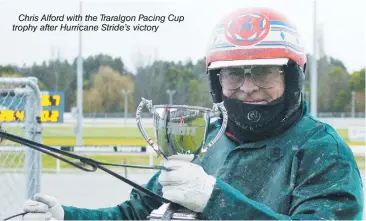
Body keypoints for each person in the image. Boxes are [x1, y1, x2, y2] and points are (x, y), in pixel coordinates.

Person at [22, 7, 363, 220]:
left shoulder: (322, 151)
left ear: (290, 77)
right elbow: (133, 214)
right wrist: (66, 216)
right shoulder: (204, 137)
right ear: (216, 81)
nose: (246, 87)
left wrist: (215, 200)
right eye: (233, 74)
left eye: (263, 71)